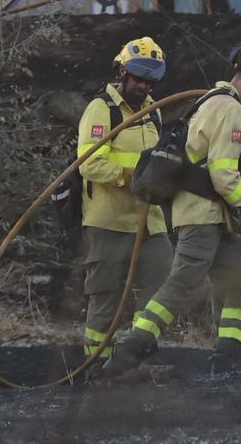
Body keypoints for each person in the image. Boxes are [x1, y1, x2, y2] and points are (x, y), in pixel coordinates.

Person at [100, 41, 241, 379]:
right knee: (182, 285)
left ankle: (224, 361)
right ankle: (127, 353)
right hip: (201, 215)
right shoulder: (230, 108)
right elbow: (222, 176)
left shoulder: (212, 102)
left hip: (214, 218)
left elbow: (206, 158)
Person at [76, 36, 173, 374]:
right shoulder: (102, 110)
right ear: (122, 70)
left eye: (150, 80)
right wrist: (134, 175)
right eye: (138, 78)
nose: (143, 85)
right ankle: (96, 365)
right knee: (106, 297)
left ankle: (137, 360)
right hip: (111, 222)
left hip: (151, 221)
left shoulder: (153, 112)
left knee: (161, 290)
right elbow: (89, 164)